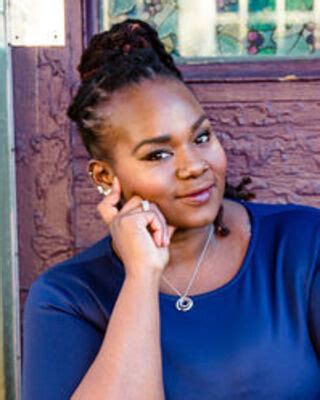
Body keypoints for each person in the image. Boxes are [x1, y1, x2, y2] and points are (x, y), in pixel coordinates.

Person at [22, 18, 320, 400]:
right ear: (104, 176)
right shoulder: (68, 297)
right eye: (158, 154)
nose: (194, 165)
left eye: (201, 137)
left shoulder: (300, 246)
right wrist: (142, 276)